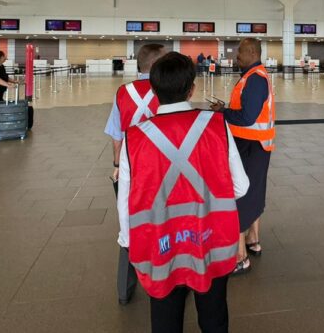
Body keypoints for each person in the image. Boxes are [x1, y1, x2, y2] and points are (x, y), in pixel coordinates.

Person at [117, 52, 249, 333]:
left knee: (165, 321)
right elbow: (241, 186)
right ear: (192, 89)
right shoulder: (216, 125)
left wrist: (129, 243)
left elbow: (126, 202)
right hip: (211, 241)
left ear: (154, 91)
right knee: (214, 318)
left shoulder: (134, 138)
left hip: (160, 244)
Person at [104, 43, 167, 305]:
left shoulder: (123, 92)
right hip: (161, 168)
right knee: (163, 222)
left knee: (128, 224)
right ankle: (165, 279)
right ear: (157, 65)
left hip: (131, 167)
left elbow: (116, 135)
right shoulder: (167, 89)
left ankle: (125, 288)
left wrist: (117, 165)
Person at [210, 37, 275, 275]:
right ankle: (253, 239)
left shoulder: (255, 79)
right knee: (254, 191)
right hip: (256, 144)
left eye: (240, 52)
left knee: (240, 194)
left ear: (252, 53)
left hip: (250, 145)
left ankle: (240, 257)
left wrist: (223, 112)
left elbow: (247, 117)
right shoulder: (253, 76)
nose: (236, 56)